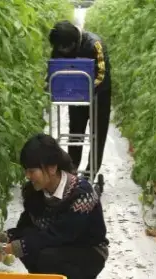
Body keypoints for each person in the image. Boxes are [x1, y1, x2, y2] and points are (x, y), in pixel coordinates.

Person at [0, 134, 108, 279]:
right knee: (28, 244)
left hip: (89, 252)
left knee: (44, 254)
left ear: (51, 168)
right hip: (61, 248)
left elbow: (59, 235)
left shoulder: (81, 193)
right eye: (26, 171)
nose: (28, 176)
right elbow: (24, 228)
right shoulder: (35, 193)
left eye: (32, 171)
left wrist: (8, 249)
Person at [49, 21, 111, 177]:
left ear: (74, 42)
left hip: (99, 95)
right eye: (59, 48)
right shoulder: (60, 45)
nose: (62, 51)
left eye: (65, 48)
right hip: (76, 94)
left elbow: (101, 75)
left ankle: (91, 173)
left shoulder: (95, 44)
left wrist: (86, 88)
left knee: (98, 133)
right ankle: (72, 170)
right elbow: (54, 66)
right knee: (75, 132)